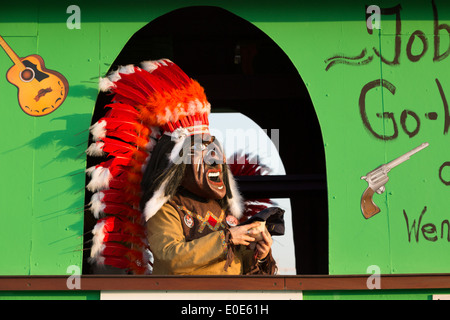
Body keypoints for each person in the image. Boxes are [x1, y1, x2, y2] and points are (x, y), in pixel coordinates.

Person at [87, 59, 277, 275]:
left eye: (216, 151)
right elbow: (171, 257)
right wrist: (228, 238)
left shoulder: (225, 215)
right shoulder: (166, 211)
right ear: (178, 166)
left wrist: (258, 256)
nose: (214, 160)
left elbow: (238, 269)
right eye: (201, 152)